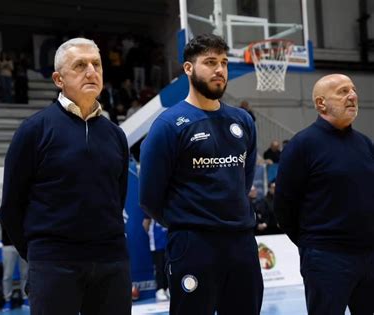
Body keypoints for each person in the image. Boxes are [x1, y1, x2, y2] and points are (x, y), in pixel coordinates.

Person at [0, 37, 131, 315]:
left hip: (111, 261)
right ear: (59, 79)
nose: (91, 72)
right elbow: (11, 207)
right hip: (53, 263)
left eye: (96, 64)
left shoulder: (115, 135)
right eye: (80, 65)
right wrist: (39, 256)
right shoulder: (33, 130)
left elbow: (116, 198)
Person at [139, 34, 262, 315]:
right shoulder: (169, 125)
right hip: (193, 245)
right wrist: (190, 223)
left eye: (223, 62)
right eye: (210, 62)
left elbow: (244, 182)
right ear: (188, 69)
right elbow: (149, 198)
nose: (219, 69)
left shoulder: (242, 121)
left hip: (241, 243)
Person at [274, 74, 374, 315]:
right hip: (326, 259)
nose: (352, 96)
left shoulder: (365, 144)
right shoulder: (302, 145)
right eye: (342, 91)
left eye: (352, 89)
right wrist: (314, 246)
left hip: (369, 257)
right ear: (321, 104)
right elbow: (284, 207)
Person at [1, 227, 28, 312]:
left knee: (25, 274)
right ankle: (7, 299)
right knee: (7, 275)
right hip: (8, 244)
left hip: (23, 243)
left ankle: (26, 298)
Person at [142, 216, 169, 302]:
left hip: (168, 241)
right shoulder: (152, 205)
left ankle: (169, 288)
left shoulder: (171, 206)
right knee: (159, 267)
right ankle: (160, 289)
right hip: (157, 242)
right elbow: (145, 224)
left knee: (169, 267)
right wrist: (151, 235)